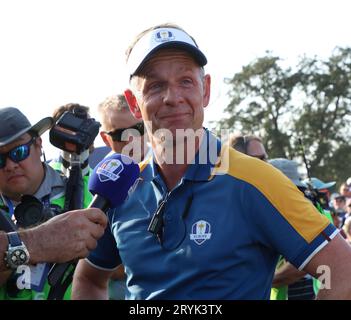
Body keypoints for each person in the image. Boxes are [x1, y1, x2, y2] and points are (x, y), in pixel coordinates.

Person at [72, 23, 351, 300]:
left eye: (185, 81)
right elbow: (88, 278)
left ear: (205, 90)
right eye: (155, 86)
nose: (173, 97)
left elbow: (342, 271)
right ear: (134, 102)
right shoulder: (121, 189)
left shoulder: (255, 181)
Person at [0, 107, 88, 300]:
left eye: (19, 152)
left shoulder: (91, 192)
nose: (10, 165)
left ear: (39, 144)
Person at [98, 94, 149, 163]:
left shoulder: (165, 161)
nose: (130, 141)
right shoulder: (102, 172)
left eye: (138, 129)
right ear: (105, 139)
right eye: (120, 135)